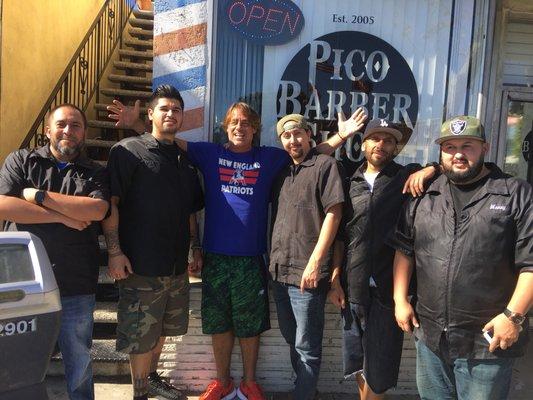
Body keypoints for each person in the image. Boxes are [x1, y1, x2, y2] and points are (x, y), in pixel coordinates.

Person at [107, 99, 366, 400]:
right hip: (215, 258)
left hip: (251, 259)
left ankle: (250, 382)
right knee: (219, 323)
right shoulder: (209, 153)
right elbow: (165, 139)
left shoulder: (269, 158)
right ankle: (222, 381)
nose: (239, 128)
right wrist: (137, 124)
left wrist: (341, 136)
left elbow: (308, 154)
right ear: (225, 128)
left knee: (249, 325)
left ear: (255, 129)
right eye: (234, 123)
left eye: (246, 123)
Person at [390, 116, 533, 400]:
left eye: (467, 146)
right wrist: (399, 300)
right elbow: (404, 249)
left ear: (485, 148)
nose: (458, 153)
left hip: (486, 344)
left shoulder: (515, 193)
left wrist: (513, 316)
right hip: (430, 337)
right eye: (449, 146)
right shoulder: (424, 194)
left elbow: (530, 262)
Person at [0, 104, 110, 400]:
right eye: (61, 124)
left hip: (76, 281)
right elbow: (4, 205)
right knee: (18, 357)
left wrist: (38, 197)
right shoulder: (22, 160)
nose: (68, 131)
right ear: (48, 129)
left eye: (76, 125)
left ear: (84, 133)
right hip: (24, 285)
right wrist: (63, 216)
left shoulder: (95, 171)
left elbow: (98, 209)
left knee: (79, 358)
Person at [102, 85, 204, 400]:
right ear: (151, 114)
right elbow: (111, 204)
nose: (171, 114)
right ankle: (140, 392)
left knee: (162, 330)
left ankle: (154, 378)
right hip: (141, 264)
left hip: (175, 268)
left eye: (176, 109)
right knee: (140, 334)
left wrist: (195, 247)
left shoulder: (185, 161)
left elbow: (189, 212)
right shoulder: (128, 150)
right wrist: (115, 252)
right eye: (164, 108)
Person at [327, 118, 437, 400]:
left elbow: (453, 167)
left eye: (388, 140)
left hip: (389, 291)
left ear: (396, 147)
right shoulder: (349, 181)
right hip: (354, 287)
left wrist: (430, 169)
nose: (381, 144)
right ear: (363, 144)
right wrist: (335, 279)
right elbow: (341, 237)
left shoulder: (405, 176)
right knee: (359, 363)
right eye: (375, 138)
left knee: (380, 369)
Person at [269, 114, 345, 399]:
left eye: (298, 134)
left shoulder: (326, 165)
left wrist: (315, 262)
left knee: (307, 347)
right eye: (286, 137)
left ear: (309, 135)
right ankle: (305, 391)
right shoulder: (282, 172)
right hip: (279, 271)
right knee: (292, 340)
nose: (292, 141)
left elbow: (334, 213)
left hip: (306, 275)